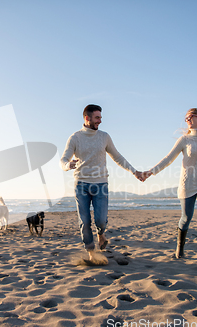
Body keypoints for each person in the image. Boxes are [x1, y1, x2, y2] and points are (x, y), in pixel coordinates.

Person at [60, 104, 145, 261]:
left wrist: (134, 171)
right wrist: (67, 165)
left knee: (100, 220)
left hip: (101, 184)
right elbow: (63, 159)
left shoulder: (104, 137)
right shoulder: (75, 138)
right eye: (97, 117)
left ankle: (101, 234)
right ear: (87, 118)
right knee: (84, 221)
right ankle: (91, 252)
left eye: (100, 117)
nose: (100, 120)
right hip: (81, 185)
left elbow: (117, 157)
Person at [143, 108, 197, 262]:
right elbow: (168, 159)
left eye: (190, 117)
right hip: (188, 183)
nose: (187, 120)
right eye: (186, 118)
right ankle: (180, 246)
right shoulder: (184, 140)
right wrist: (151, 172)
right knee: (186, 218)